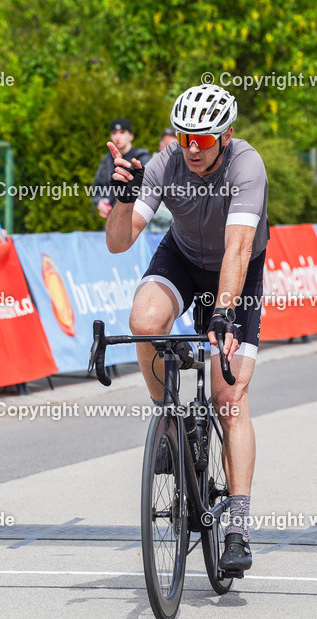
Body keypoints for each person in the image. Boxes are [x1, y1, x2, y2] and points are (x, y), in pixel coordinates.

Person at [105, 84, 268, 574]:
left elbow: (238, 248)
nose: (192, 148)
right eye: (184, 137)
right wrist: (123, 199)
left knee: (229, 399)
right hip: (182, 257)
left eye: (202, 139)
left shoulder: (246, 166)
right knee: (143, 321)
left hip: (236, 270)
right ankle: (170, 425)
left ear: (226, 136)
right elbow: (118, 243)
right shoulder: (166, 162)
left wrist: (223, 313)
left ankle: (237, 527)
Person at [92, 118, 151, 219]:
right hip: (114, 217)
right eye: (114, 133)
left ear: (131, 136)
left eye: (122, 132)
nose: (118, 136)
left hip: (138, 217)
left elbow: (151, 190)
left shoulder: (141, 157)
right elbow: (98, 187)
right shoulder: (107, 160)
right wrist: (100, 202)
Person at [145, 129, 178, 233]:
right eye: (168, 146)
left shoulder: (184, 169)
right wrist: (176, 217)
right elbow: (146, 204)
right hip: (152, 234)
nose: (172, 151)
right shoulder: (150, 170)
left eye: (177, 146)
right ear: (160, 146)